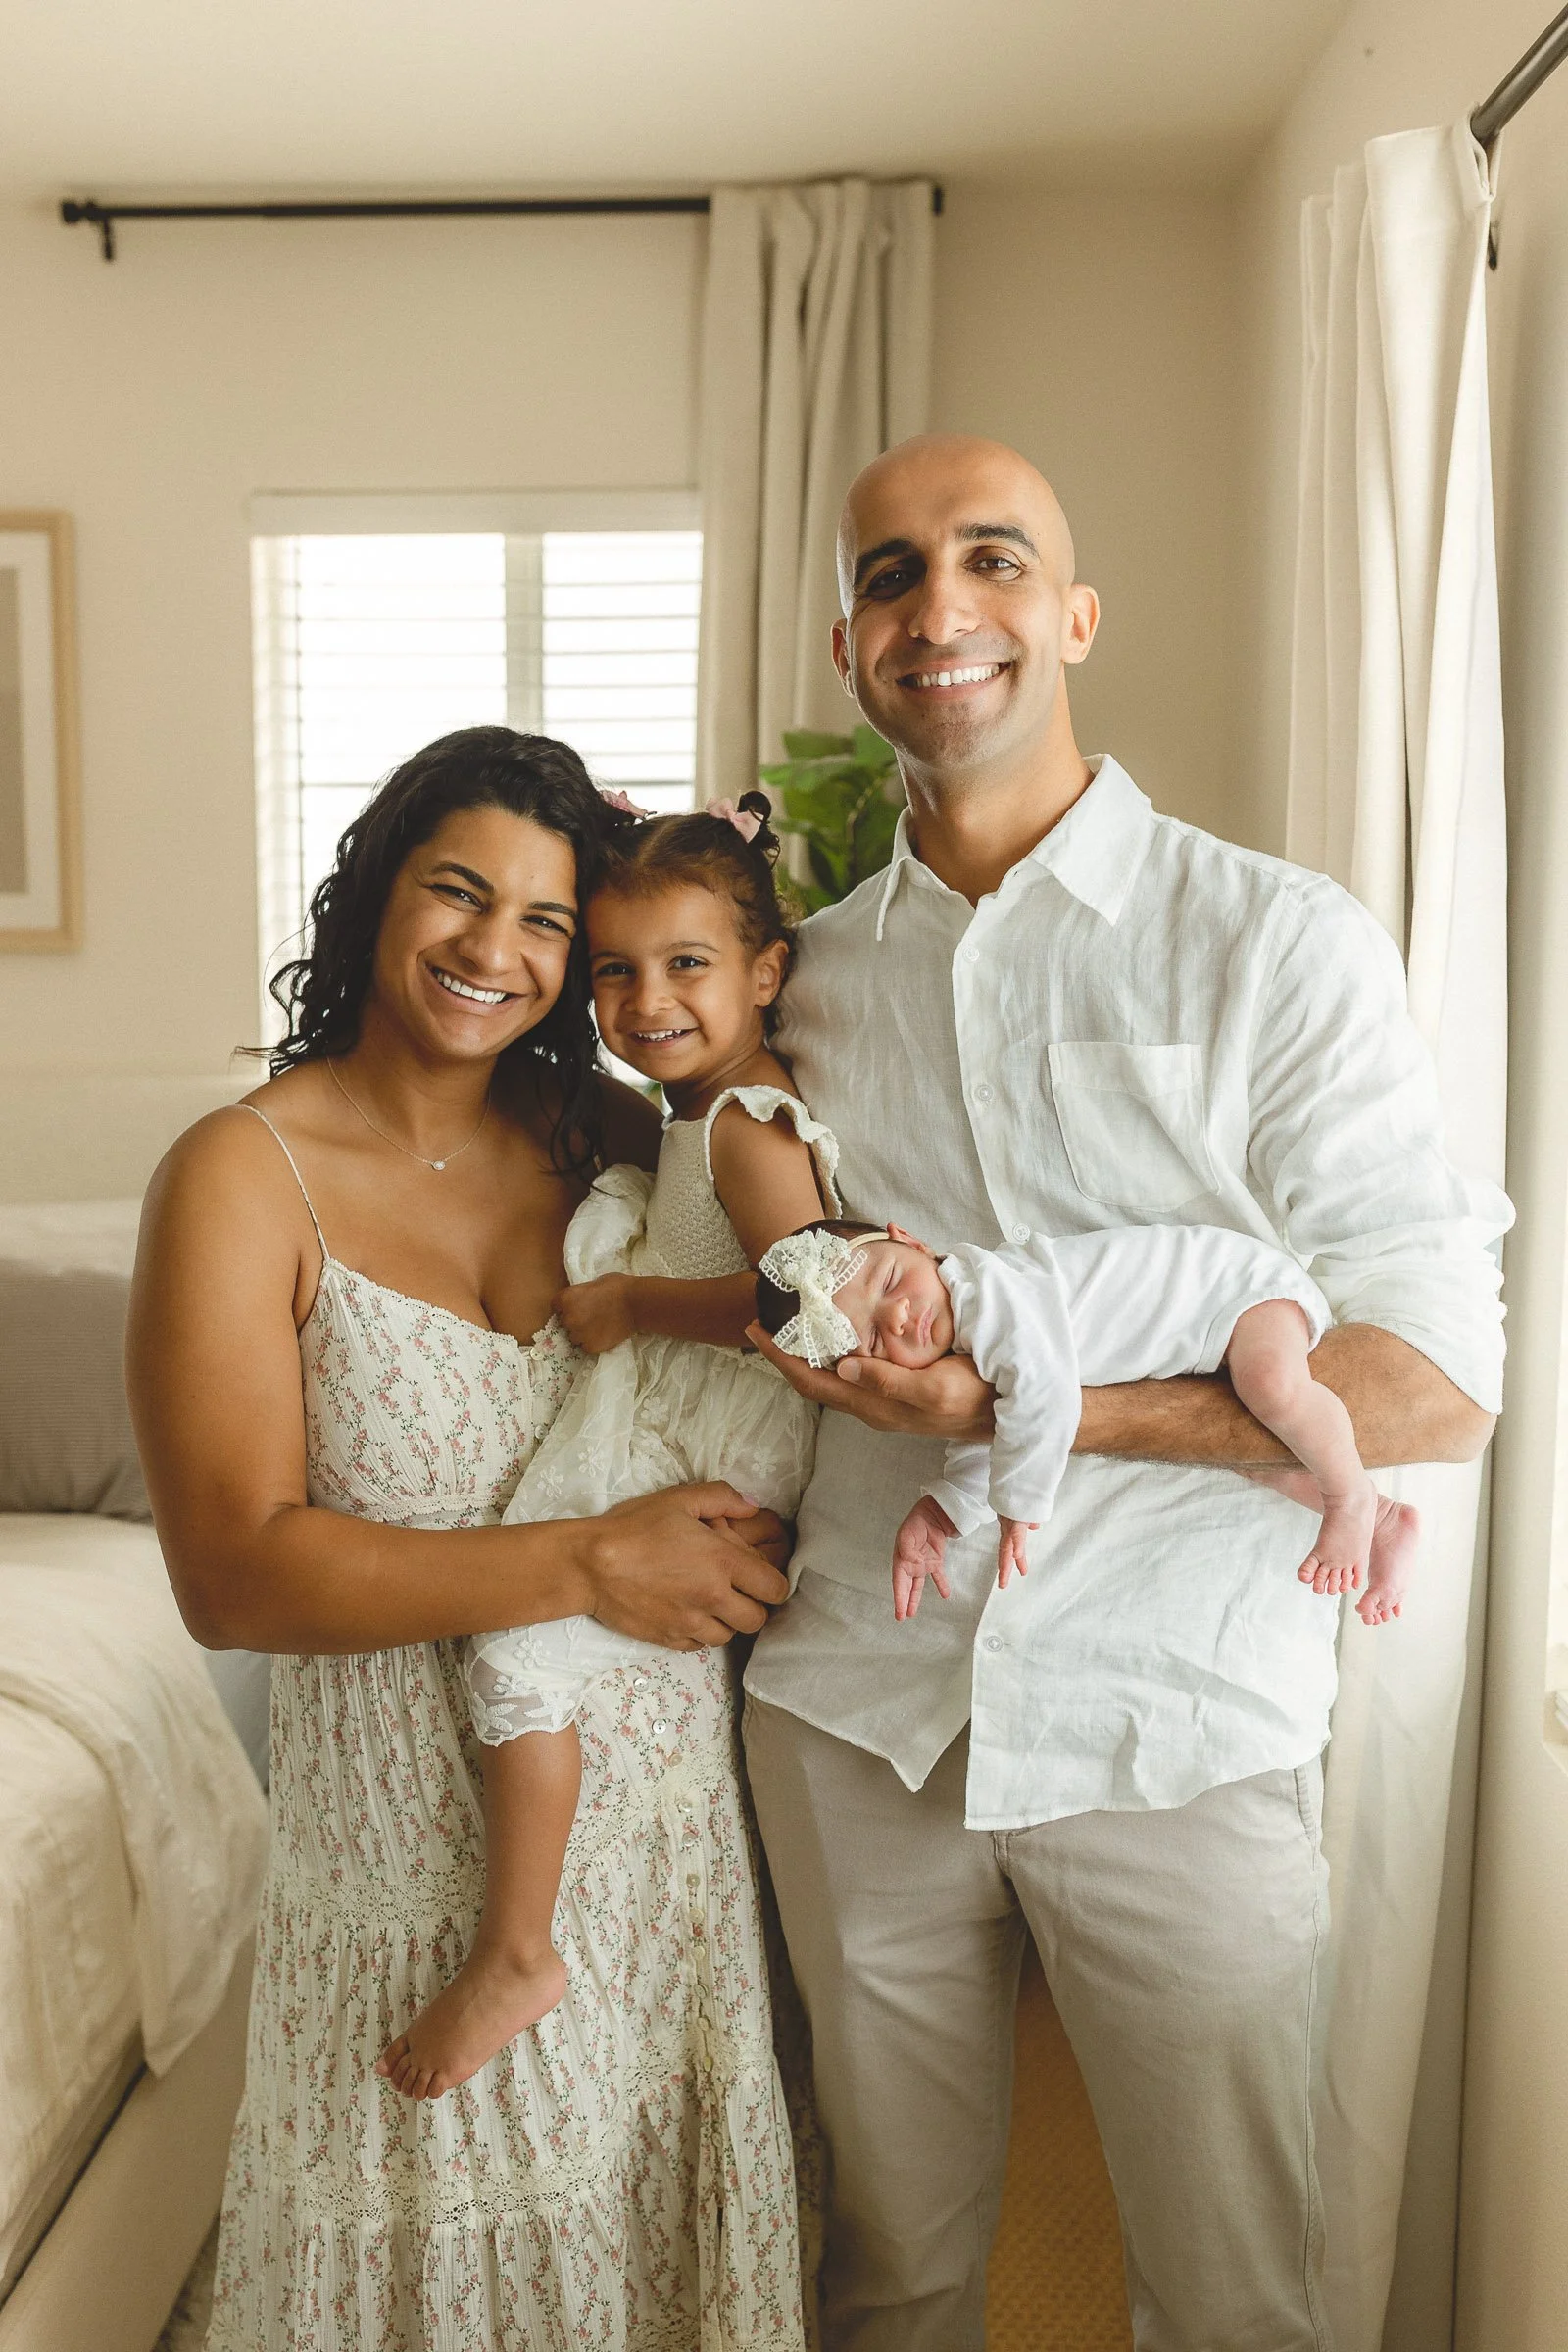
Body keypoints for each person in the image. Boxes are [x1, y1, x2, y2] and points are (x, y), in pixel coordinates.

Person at [741, 436, 1511, 2352]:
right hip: (862, 1715)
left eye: (992, 559)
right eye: (891, 572)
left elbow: (1434, 1382)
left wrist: (1057, 1414)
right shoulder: (797, 995)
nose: (940, 605)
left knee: (1238, 2302)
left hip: (1179, 1720)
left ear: (1073, 616)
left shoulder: (1278, 942)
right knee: (884, 2282)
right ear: (848, 647)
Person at [126, 728, 804, 2351]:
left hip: (660, 1837)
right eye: (457, 892)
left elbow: (761, 1344)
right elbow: (231, 1574)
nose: (494, 949)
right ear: (377, 887)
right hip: (406, 1876)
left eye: (546, 921)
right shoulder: (241, 1176)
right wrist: (587, 1561)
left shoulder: (610, 1136)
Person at [377, 792, 834, 2100]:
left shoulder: (746, 1122)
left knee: (514, 1656)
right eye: (615, 972)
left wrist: (632, 1301)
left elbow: (805, 1301)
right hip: (686, 1411)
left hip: (714, 1423)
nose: (647, 1001)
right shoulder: (696, 1109)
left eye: (687, 965)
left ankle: (518, 1953)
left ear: (765, 973)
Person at [755, 1216, 1419, 1625]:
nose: (900, 1316)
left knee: (1273, 1386)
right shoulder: (965, 1350)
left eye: (890, 1282)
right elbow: (997, 1429)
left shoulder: (988, 1293)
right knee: (1254, 1456)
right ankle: (1388, 1522)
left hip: (1235, 1290)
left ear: (911, 1240)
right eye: (874, 1338)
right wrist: (941, 1512)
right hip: (1205, 1347)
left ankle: (1351, 1499)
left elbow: (1045, 1397)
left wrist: (1019, 1505)